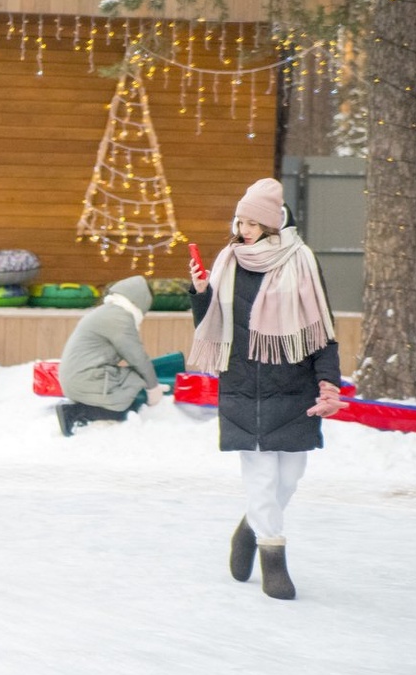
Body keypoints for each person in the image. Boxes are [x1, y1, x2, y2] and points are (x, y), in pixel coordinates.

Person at [189, 177, 343, 601]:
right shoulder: (229, 260)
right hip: (243, 384)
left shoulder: (302, 261)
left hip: (293, 384)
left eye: (252, 222)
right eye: (239, 221)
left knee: (289, 476)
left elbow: (322, 328)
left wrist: (327, 380)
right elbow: (208, 323)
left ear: (272, 224)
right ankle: (273, 559)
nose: (243, 229)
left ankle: (249, 528)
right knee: (261, 478)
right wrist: (201, 293)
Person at [55, 276, 165, 437]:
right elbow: (138, 357)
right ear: (141, 301)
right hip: (85, 378)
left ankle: (82, 409)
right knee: (134, 383)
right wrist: (153, 388)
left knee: (128, 383)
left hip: (78, 378)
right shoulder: (118, 318)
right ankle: (75, 412)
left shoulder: (109, 312)